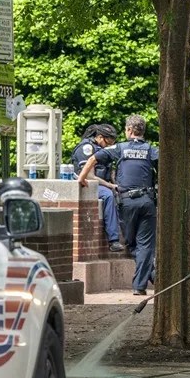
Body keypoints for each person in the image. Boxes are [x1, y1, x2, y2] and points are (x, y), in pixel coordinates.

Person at [77, 115, 158, 295]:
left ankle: (142, 283)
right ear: (142, 131)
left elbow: (92, 159)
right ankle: (147, 280)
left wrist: (81, 179)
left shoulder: (120, 148)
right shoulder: (151, 150)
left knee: (131, 243)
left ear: (128, 130)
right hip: (147, 201)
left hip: (127, 202)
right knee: (145, 244)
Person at [71, 123, 124, 252]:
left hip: (101, 183)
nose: (109, 146)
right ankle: (113, 240)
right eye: (108, 142)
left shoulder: (102, 149)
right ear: (100, 137)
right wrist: (111, 186)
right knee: (108, 196)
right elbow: (89, 176)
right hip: (87, 184)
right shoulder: (87, 148)